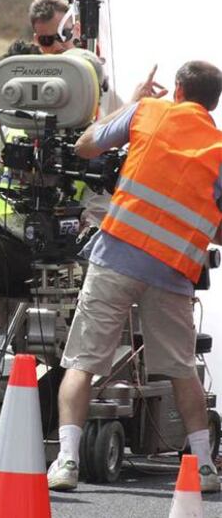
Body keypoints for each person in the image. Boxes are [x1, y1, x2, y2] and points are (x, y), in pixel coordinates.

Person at [47, 61, 222, 493]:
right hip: (173, 272)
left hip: (116, 257)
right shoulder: (218, 147)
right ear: (214, 103)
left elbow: (86, 146)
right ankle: (202, 466)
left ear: (177, 89)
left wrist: (134, 99)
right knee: (182, 370)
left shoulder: (149, 111)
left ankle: (67, 460)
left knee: (83, 362)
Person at [0, 40, 106, 379]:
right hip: (13, 246)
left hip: (70, 258)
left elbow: (101, 207)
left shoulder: (99, 140)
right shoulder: (15, 129)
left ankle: (62, 377)